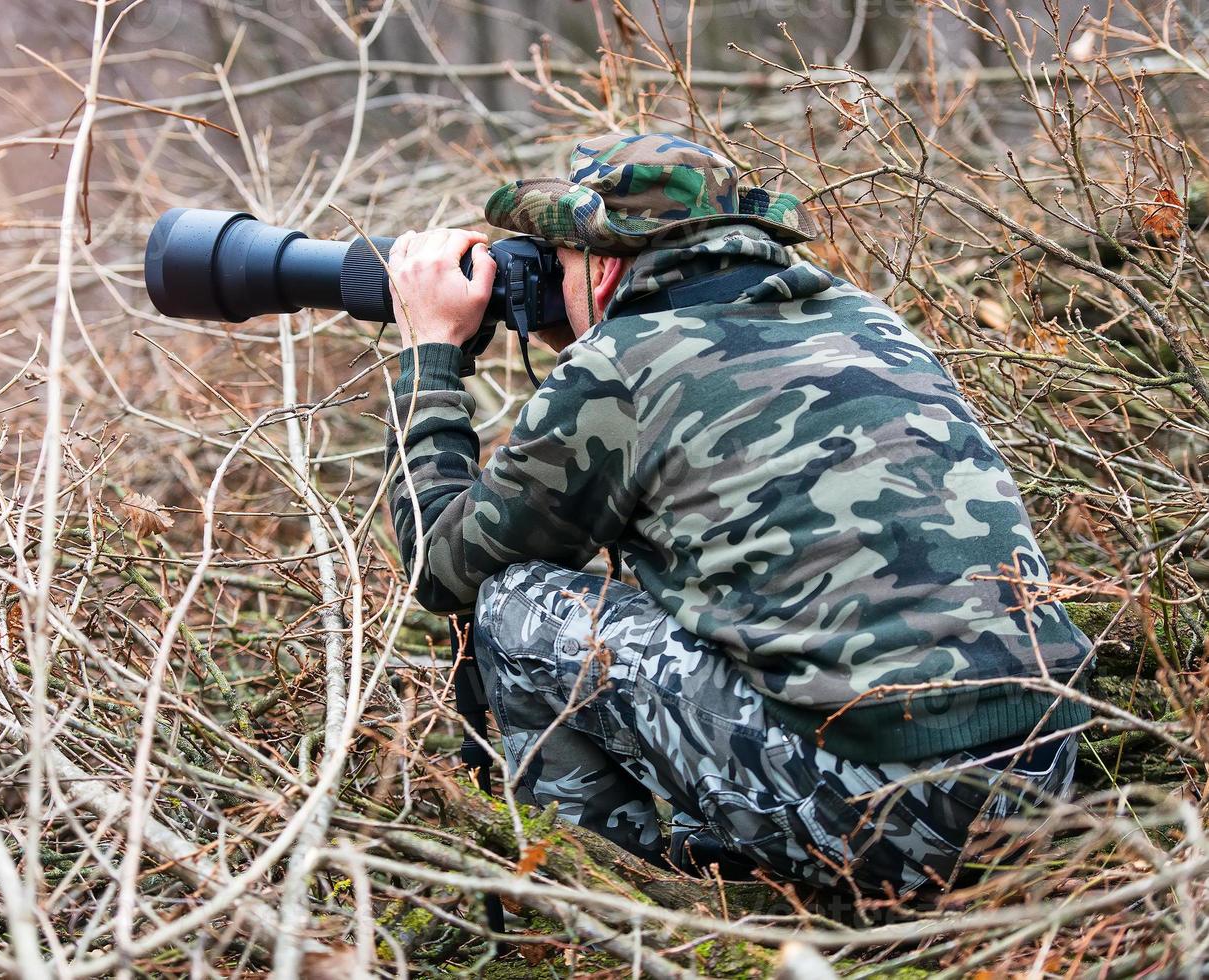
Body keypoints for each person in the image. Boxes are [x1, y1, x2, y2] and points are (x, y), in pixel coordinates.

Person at [382, 132, 1091, 898]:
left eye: (560, 258)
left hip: (887, 819)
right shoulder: (863, 318)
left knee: (514, 605)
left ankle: (623, 891)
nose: (550, 275)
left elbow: (439, 567)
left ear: (610, 261)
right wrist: (586, 330)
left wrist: (430, 352)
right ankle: (746, 838)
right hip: (1039, 780)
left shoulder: (620, 366)